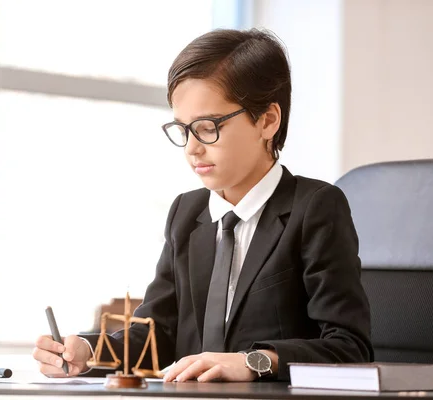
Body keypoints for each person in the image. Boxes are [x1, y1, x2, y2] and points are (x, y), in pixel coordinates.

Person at [32, 28, 373, 382]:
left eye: (208, 127)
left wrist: (254, 361)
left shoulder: (315, 208)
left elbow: (349, 347)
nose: (192, 148)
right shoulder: (186, 213)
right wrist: (89, 352)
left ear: (268, 120)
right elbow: (157, 334)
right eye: (183, 129)